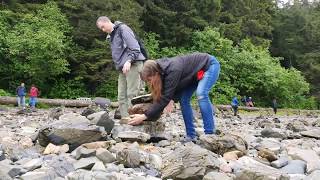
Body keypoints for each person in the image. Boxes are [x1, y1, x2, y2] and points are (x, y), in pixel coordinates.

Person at [128, 53, 220, 142]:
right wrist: (171, 99)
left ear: (155, 74)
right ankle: (191, 136)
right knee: (183, 100)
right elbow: (168, 93)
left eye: (149, 80)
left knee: (201, 94)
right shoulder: (162, 72)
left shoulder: (173, 69)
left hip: (209, 65)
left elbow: (165, 98)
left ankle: (209, 134)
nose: (149, 83)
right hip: (193, 76)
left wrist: (144, 116)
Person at [96, 16, 146, 119]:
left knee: (133, 94)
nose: (103, 30)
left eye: (103, 27)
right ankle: (125, 119)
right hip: (122, 68)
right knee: (121, 96)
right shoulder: (111, 36)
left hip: (133, 64)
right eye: (101, 28)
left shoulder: (123, 29)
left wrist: (129, 61)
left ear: (107, 22)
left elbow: (135, 47)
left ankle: (135, 119)